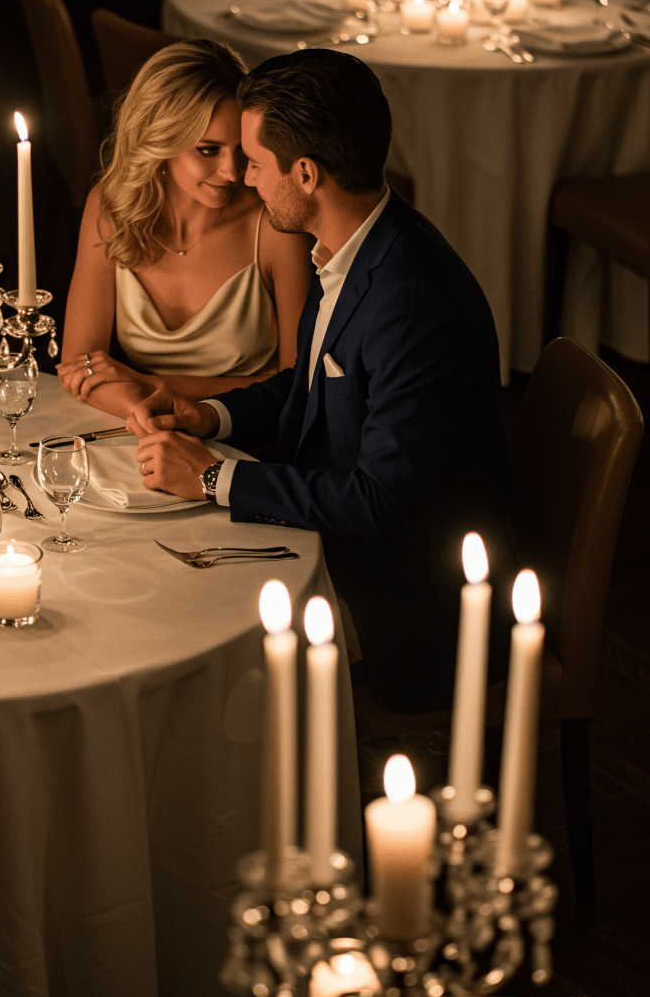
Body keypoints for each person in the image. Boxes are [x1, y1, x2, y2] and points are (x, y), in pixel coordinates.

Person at [127, 49, 517, 714]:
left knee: (173, 646)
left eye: (254, 161)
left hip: (403, 603)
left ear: (305, 174)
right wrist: (207, 416)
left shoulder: (412, 300)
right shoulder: (349, 248)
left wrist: (214, 478)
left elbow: (379, 504)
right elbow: (313, 394)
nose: (245, 179)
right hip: (336, 548)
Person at [57, 39, 313, 420]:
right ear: (160, 140)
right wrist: (147, 415)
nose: (232, 172)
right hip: (140, 433)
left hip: (249, 440)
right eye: (208, 150)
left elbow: (298, 387)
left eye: (241, 150)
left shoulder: (275, 224)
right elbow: (79, 370)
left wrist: (149, 384)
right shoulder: (111, 208)